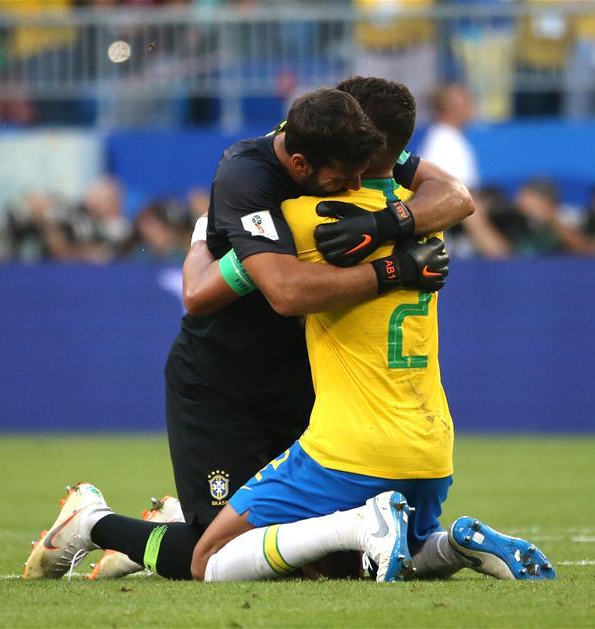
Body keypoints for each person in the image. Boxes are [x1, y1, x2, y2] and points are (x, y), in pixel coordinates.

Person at [23, 82, 474, 581]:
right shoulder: (250, 179)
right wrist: (395, 271)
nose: (355, 189)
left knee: (335, 563)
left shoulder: (345, 145)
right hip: (223, 378)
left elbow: (457, 195)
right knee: (216, 556)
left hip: (299, 379)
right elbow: (225, 294)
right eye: (345, 180)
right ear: (302, 166)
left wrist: (386, 224)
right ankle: (93, 523)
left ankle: (172, 521)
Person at [184, 81, 554, 583]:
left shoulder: (298, 217)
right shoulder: (427, 215)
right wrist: (390, 234)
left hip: (348, 445)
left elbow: (216, 293)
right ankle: (454, 547)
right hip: (431, 447)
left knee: (209, 560)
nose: (344, 183)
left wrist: (201, 233)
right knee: (365, 565)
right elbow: (456, 196)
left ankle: (361, 524)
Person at [419, 84, 510, 258]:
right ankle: (505, 264)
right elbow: (458, 196)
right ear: (449, 109)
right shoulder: (444, 141)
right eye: (466, 102)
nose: (472, 107)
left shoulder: (451, 138)